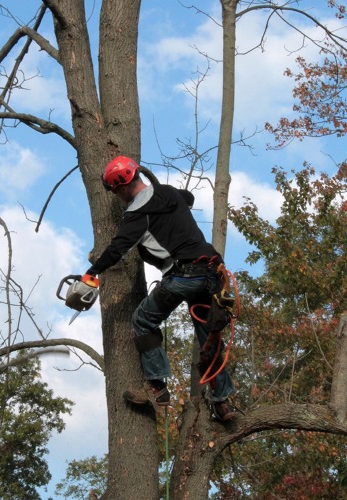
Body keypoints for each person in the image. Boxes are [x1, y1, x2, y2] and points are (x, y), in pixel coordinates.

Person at [86, 156, 235, 421]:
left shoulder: (136, 215)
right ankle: (223, 403)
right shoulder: (168, 193)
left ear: (120, 188)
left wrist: (92, 272)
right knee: (207, 337)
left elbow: (118, 248)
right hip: (213, 274)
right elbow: (187, 198)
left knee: (142, 320)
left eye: (116, 191)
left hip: (184, 276)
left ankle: (157, 388)